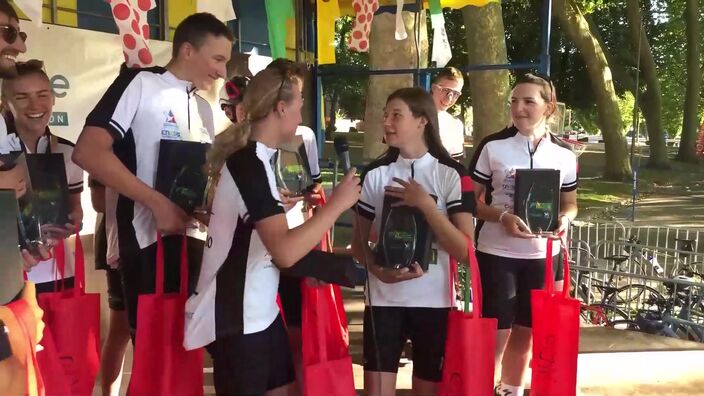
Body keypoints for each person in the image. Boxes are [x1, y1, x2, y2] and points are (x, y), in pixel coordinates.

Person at [184, 65, 361, 396]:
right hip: (235, 320)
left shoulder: (263, 161)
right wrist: (337, 204)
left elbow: (273, 247)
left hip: (261, 314)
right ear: (281, 108)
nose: (301, 110)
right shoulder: (248, 164)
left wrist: (345, 269)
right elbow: (283, 250)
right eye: (300, 101)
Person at [72, 13, 234, 339]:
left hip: (193, 244)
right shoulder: (140, 84)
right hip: (145, 245)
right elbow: (88, 151)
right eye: (217, 59)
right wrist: (157, 204)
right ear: (187, 50)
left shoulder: (204, 107)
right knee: (153, 354)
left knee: (185, 353)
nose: (222, 72)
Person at [351, 87, 475, 396]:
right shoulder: (375, 174)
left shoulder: (453, 175)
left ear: (422, 121)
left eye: (396, 115)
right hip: (382, 301)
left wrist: (426, 206)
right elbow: (357, 245)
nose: (387, 122)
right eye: (385, 116)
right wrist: (377, 271)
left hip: (433, 302)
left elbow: (464, 250)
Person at [467, 73, 578, 396]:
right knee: (495, 335)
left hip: (543, 257)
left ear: (549, 106)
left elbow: (570, 204)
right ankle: (481, 389)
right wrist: (501, 216)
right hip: (496, 254)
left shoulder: (565, 155)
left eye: (529, 101)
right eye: (514, 101)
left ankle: (511, 390)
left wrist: (564, 221)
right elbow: (470, 203)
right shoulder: (493, 146)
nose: (519, 108)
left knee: (526, 333)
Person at [0, 59, 84, 292]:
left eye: (42, 94)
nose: (34, 105)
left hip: (59, 276)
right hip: (8, 278)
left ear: (53, 98)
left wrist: (73, 221)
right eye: (22, 97)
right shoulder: (2, 150)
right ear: (5, 104)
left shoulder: (68, 151)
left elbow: (76, 208)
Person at [89, 177, 130, 396]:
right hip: (120, 240)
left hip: (167, 239)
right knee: (121, 328)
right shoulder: (113, 143)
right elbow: (98, 202)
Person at [430, 67, 466, 161]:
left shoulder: (456, 125)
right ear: (434, 88)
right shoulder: (413, 117)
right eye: (445, 91)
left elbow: (455, 163)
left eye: (455, 94)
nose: (449, 98)